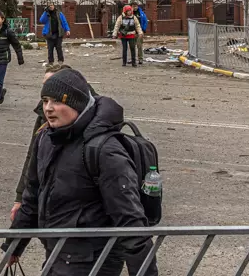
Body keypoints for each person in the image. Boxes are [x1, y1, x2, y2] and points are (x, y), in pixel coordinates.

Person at [9, 69, 156, 276]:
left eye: (57, 101)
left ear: (77, 103)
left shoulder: (104, 150)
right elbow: (32, 195)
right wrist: (14, 246)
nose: (48, 108)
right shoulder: (46, 139)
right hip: (57, 253)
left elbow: (130, 220)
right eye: (45, 100)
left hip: (95, 261)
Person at [12, 63, 95, 221]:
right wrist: (20, 197)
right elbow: (33, 156)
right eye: (44, 86)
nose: (48, 106)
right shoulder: (45, 114)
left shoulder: (98, 129)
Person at [130, 0, 149, 65]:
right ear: (131, 7)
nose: (135, 8)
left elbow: (145, 21)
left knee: (139, 45)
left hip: (139, 32)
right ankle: (133, 59)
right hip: (132, 32)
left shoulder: (141, 13)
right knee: (132, 46)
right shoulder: (129, 14)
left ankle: (140, 59)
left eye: (136, 6)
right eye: (133, 6)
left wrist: (143, 29)